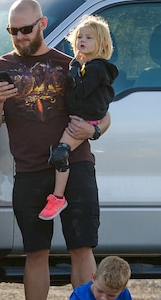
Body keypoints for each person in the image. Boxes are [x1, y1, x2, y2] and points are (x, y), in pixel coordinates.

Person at [0, 0, 110, 300]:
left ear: (42, 24)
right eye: (13, 31)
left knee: (81, 250)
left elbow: (103, 115)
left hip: (76, 167)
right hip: (30, 172)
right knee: (35, 253)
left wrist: (93, 131)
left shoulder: (70, 65)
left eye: (26, 29)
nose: (20, 37)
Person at [40, 14, 119, 220]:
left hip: (83, 122)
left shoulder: (95, 68)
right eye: (79, 37)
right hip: (85, 119)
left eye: (89, 38)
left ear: (102, 43)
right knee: (60, 153)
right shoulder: (93, 67)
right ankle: (57, 196)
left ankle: (57, 197)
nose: (82, 41)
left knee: (60, 154)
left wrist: (74, 72)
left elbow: (83, 92)